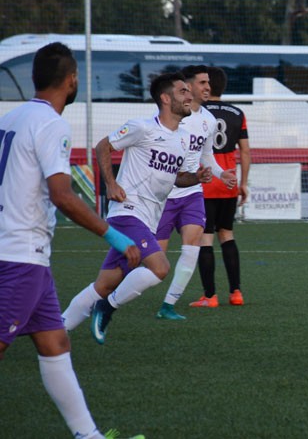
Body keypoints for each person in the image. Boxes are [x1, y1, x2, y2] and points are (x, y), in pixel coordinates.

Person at [0, 42, 143, 438]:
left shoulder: (12, 117)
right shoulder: (52, 123)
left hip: (27, 256)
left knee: (55, 344)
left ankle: (88, 436)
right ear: (72, 80)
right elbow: (62, 195)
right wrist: (115, 236)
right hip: (19, 256)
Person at [61, 72, 211, 345]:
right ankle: (107, 307)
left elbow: (176, 177)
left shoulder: (182, 138)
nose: (190, 96)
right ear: (165, 99)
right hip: (127, 212)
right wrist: (110, 183)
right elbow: (102, 146)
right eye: (183, 92)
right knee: (160, 267)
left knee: (104, 284)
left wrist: (196, 178)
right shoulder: (142, 127)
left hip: (147, 219)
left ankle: (57, 331)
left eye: (190, 91)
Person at [154, 65, 237, 320]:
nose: (208, 87)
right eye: (202, 83)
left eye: (208, 82)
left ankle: (168, 305)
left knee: (192, 247)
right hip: (164, 194)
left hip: (191, 194)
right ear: (187, 86)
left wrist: (221, 172)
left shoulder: (209, 120)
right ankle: (110, 294)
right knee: (154, 262)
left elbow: (206, 155)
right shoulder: (172, 115)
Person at [190, 66, 250, 308]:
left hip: (205, 182)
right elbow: (245, 150)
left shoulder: (197, 112)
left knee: (205, 238)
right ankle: (236, 293)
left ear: (208, 85)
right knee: (227, 234)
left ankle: (210, 296)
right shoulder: (237, 112)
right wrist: (243, 183)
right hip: (229, 182)